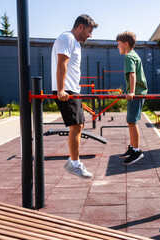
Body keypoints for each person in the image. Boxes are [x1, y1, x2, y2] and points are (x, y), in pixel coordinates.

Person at [51, 14, 98, 178]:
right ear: (80, 27)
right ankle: (74, 163)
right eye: (89, 31)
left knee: (80, 126)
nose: (90, 35)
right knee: (76, 126)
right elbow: (61, 63)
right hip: (67, 90)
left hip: (72, 89)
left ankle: (72, 160)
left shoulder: (75, 43)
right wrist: (60, 90)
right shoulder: (67, 38)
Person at [116, 31, 148, 165]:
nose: (118, 47)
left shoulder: (129, 56)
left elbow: (133, 74)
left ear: (126, 44)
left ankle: (136, 151)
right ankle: (132, 147)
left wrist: (132, 92)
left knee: (132, 122)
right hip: (137, 92)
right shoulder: (133, 55)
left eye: (119, 45)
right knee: (130, 121)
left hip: (137, 93)